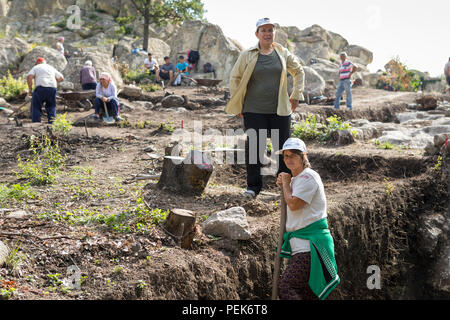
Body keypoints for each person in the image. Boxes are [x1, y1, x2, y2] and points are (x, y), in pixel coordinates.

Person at [225, 17, 305, 199]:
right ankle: (253, 188)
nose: (268, 33)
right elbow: (235, 77)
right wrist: (237, 101)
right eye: (264, 30)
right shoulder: (247, 54)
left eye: (270, 30)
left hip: (281, 110)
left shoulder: (282, 53)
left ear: (274, 33)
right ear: (257, 34)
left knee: (284, 149)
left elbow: (299, 71)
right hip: (254, 110)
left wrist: (296, 95)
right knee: (254, 148)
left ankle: (285, 186)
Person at [275, 138, 339, 300]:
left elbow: (294, 204)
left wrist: (286, 184)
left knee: (286, 286)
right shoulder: (297, 180)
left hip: (311, 246)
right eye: (285, 156)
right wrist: (287, 183)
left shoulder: (308, 177)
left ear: (303, 156)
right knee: (306, 294)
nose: (288, 160)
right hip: (302, 246)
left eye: (293, 156)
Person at [26, 57, 64, 124]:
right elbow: (61, 78)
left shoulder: (36, 67)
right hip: (52, 88)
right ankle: (52, 123)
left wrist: (30, 89)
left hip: (41, 88)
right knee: (51, 106)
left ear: (37, 63)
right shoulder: (51, 67)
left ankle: (36, 122)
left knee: (36, 106)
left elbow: (29, 77)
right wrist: (53, 81)